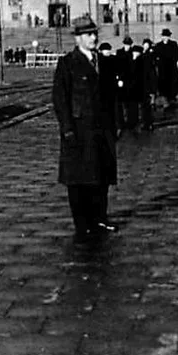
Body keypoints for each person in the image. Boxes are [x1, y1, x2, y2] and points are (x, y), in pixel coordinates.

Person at [52, 14, 119, 242]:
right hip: (79, 131)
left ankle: (100, 218)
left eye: (95, 34)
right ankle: (82, 224)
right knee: (79, 180)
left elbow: (112, 98)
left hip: (102, 129)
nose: (94, 38)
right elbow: (60, 100)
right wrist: (67, 129)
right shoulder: (68, 64)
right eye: (89, 34)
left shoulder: (104, 62)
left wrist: (116, 124)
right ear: (78, 39)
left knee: (102, 177)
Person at [135, 38, 159, 131]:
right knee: (145, 105)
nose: (145, 46)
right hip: (143, 83)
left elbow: (152, 72)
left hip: (147, 83)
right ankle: (147, 123)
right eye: (144, 44)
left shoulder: (149, 56)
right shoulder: (142, 56)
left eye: (147, 44)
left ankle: (148, 123)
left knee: (146, 105)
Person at [154, 27, 178, 106]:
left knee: (172, 83)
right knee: (163, 84)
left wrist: (173, 61)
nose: (165, 38)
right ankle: (166, 100)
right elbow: (155, 56)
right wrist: (158, 63)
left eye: (167, 36)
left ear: (169, 37)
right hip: (162, 69)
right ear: (162, 37)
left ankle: (172, 98)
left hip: (171, 68)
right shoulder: (158, 45)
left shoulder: (173, 44)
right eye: (164, 36)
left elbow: (177, 54)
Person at [116, 36, 138, 130]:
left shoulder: (133, 53)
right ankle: (123, 121)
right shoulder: (119, 53)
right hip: (122, 80)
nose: (127, 46)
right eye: (126, 44)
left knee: (132, 101)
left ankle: (132, 121)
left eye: (128, 45)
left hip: (131, 80)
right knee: (123, 101)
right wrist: (118, 78)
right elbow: (117, 66)